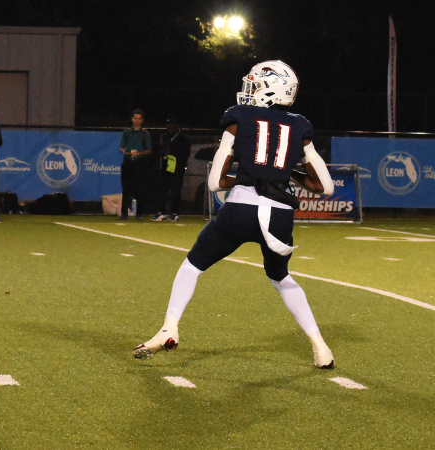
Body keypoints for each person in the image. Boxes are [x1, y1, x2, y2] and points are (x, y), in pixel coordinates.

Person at [133, 61, 337, 369]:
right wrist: (281, 175)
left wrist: (250, 178)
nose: (249, 91)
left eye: (255, 85)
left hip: (242, 209)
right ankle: (321, 348)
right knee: (281, 277)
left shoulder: (239, 117)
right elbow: (326, 187)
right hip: (280, 215)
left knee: (192, 265)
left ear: (270, 88)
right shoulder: (300, 124)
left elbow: (215, 182)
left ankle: (169, 328)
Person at [151, 118, 191, 222]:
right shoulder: (166, 137)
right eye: (168, 125)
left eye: (171, 125)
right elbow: (161, 150)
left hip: (177, 169)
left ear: (176, 127)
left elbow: (185, 153)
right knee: (162, 190)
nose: (169, 127)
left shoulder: (183, 138)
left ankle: (175, 213)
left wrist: (173, 153)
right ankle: (162, 212)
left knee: (176, 191)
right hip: (166, 167)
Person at [119, 109, 152, 219]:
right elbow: (121, 147)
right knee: (126, 189)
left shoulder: (145, 134)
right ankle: (124, 213)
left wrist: (138, 153)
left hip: (139, 163)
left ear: (142, 120)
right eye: (135, 118)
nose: (137, 121)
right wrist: (127, 152)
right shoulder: (127, 132)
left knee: (140, 189)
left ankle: (140, 213)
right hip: (128, 162)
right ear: (132, 119)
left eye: (139, 118)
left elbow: (149, 150)